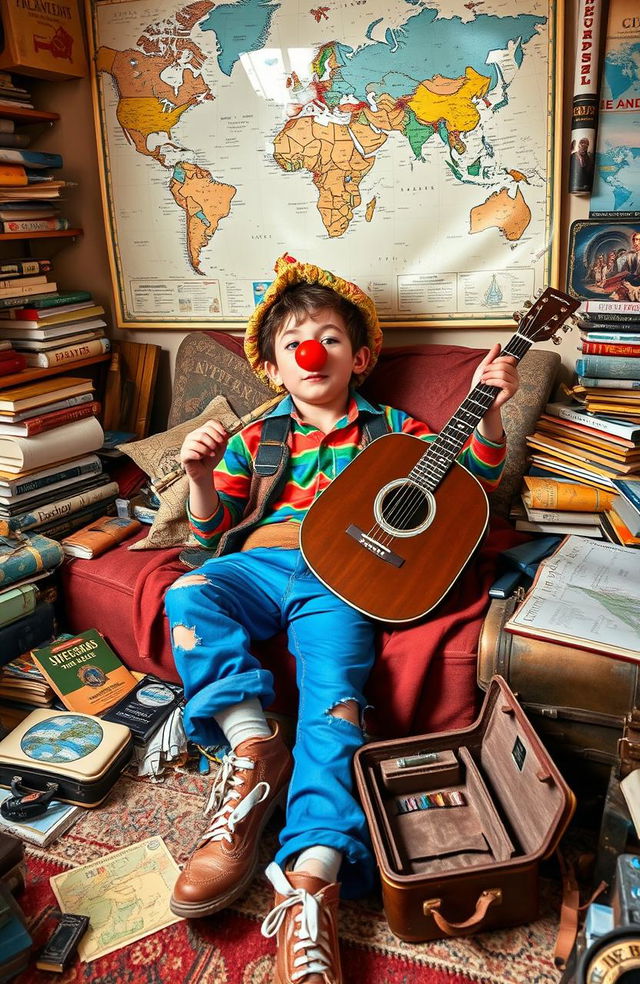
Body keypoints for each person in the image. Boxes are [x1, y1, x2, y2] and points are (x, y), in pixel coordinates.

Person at [164, 254, 519, 983]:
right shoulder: (257, 437)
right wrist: (200, 478)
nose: (310, 350)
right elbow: (203, 544)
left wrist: (492, 406)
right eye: (294, 340)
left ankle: (313, 877)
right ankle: (252, 748)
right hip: (260, 564)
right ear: (272, 366)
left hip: (346, 584)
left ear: (359, 357)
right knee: (187, 595)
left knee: (335, 708)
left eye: (328, 336)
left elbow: (470, 484)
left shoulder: (394, 429)